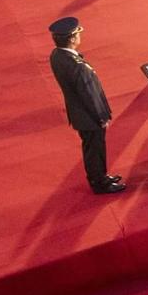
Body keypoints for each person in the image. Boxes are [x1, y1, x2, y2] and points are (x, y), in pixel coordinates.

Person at [48, 17, 121, 193]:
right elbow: (89, 95)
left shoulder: (57, 55)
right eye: (78, 34)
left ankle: (99, 177)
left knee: (91, 148)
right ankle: (100, 183)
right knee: (95, 150)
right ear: (72, 39)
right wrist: (101, 117)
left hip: (79, 114)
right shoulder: (77, 66)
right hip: (89, 116)